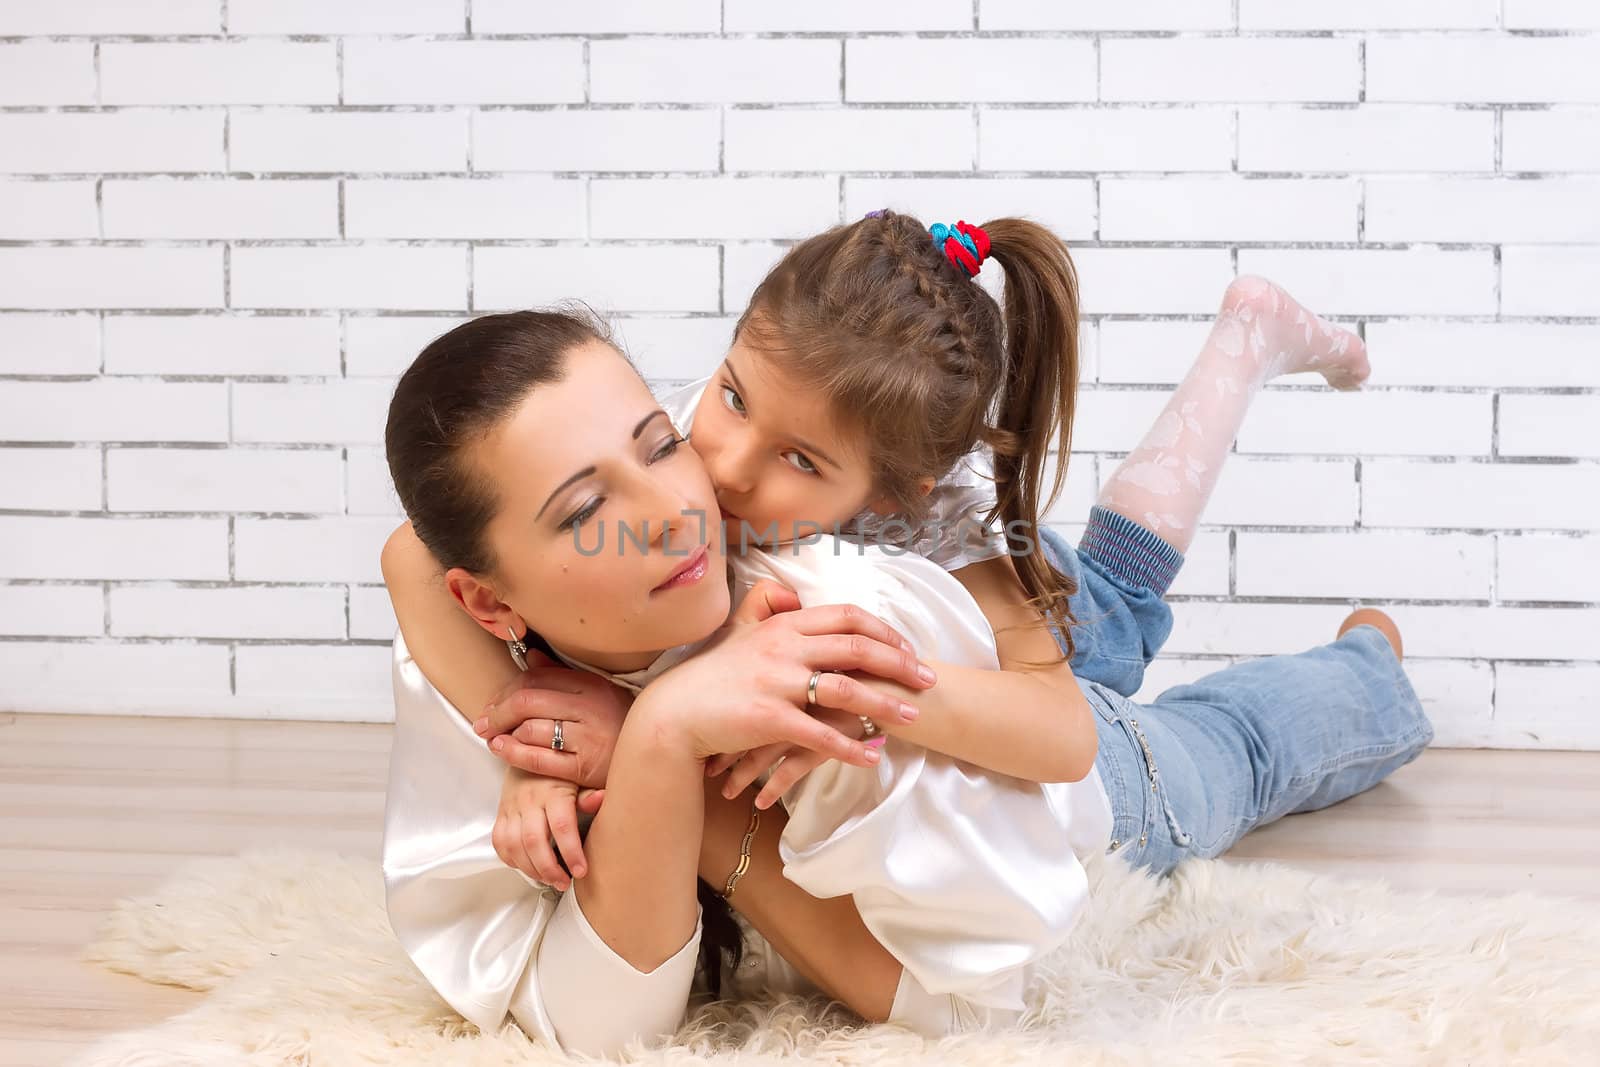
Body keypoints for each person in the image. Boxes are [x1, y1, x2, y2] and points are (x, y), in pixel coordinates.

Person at [380, 300, 1432, 1056]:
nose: (675, 506)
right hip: (980, 706)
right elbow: (412, 554)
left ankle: (1366, 654)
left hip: (1019, 708)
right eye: (580, 511)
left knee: (1158, 665)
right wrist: (636, 740)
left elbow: (1058, 735)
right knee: (1159, 656)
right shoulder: (616, 565)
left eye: (658, 441)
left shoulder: (768, 516)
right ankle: (1343, 610)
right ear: (491, 599)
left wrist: (656, 728)